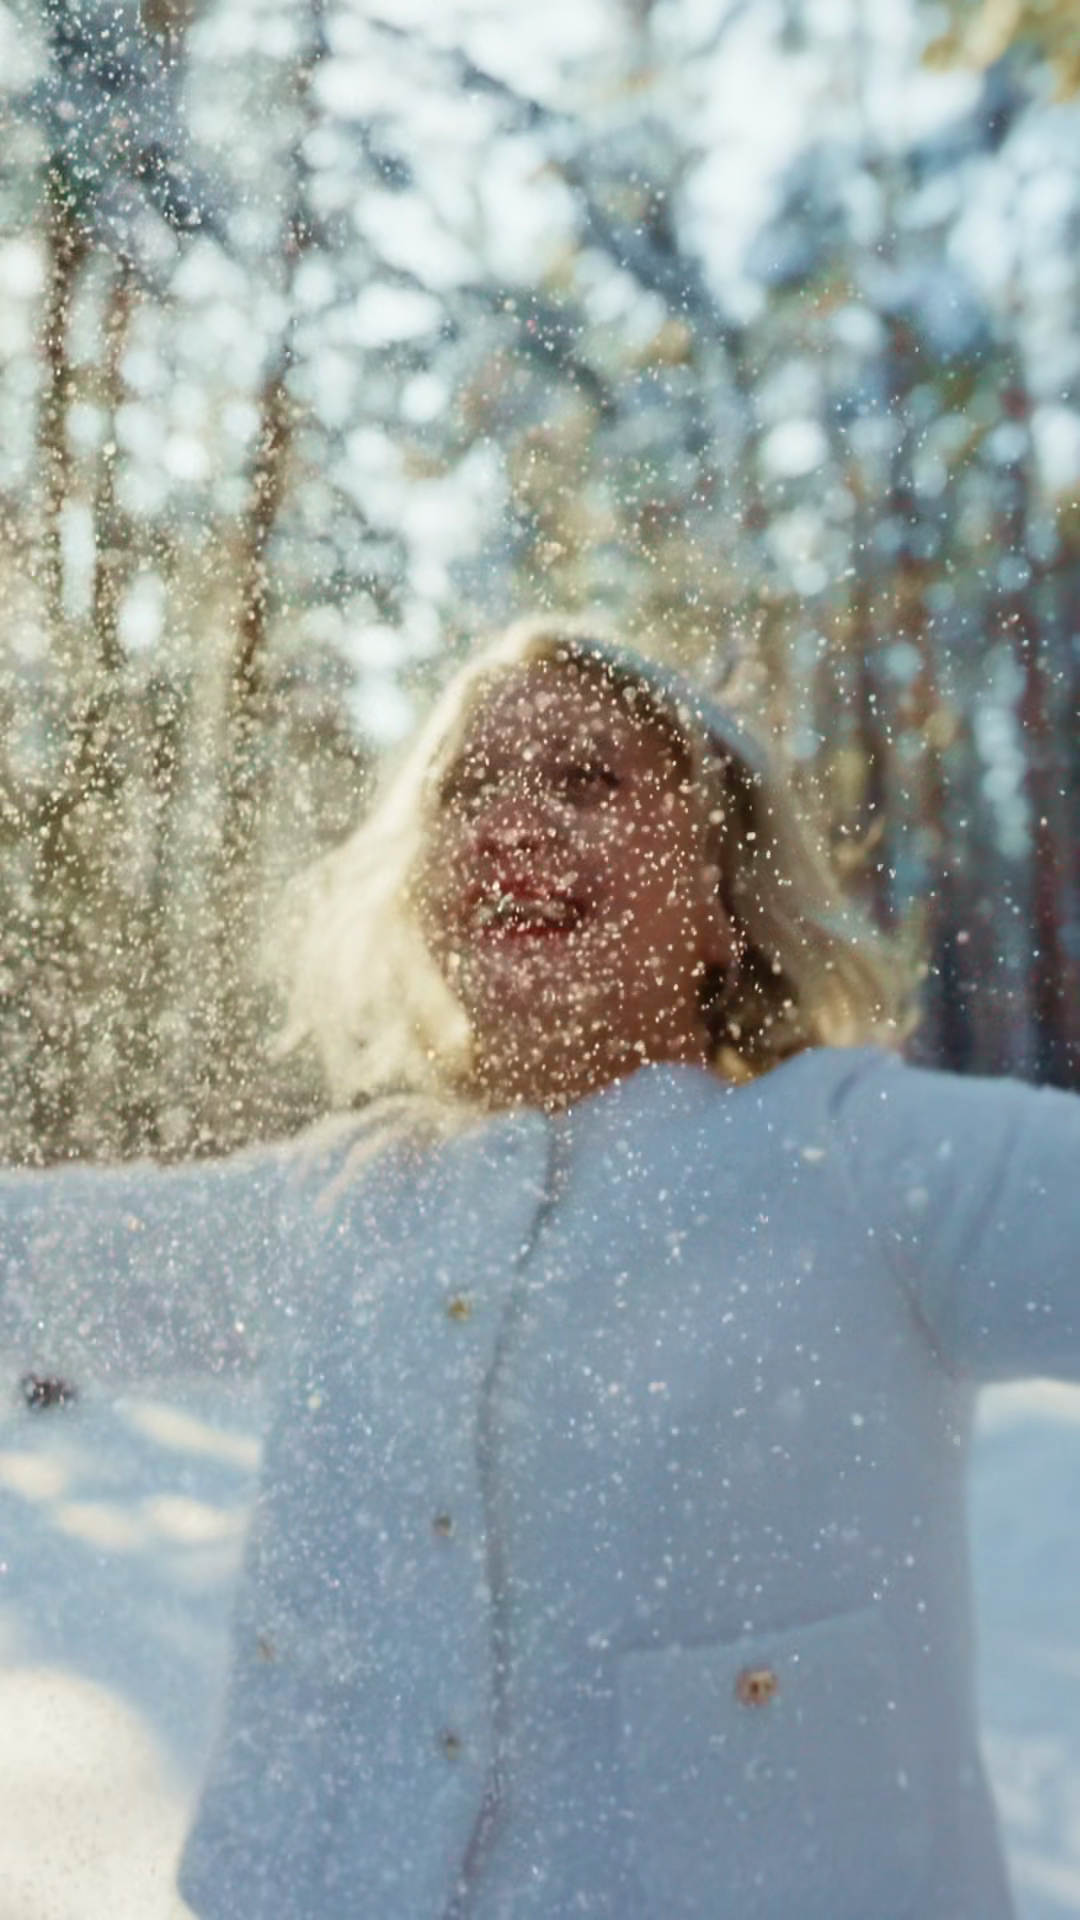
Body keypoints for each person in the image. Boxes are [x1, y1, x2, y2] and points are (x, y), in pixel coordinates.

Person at [2, 615, 1079, 1920]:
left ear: (726, 902)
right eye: (470, 788)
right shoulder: (343, 1203)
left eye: (586, 780)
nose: (511, 822)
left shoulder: (859, 1161)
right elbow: (37, 1259)